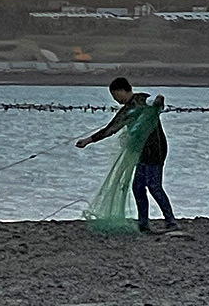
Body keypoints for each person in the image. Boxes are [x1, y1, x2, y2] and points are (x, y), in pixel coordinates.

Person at [76, 77, 177, 233]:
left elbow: (157, 101)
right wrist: (88, 140)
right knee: (138, 187)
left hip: (156, 149)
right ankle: (143, 224)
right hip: (141, 151)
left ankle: (171, 221)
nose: (116, 100)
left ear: (123, 90)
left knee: (154, 186)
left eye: (116, 95)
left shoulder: (143, 101)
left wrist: (159, 100)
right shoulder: (126, 111)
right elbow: (110, 129)